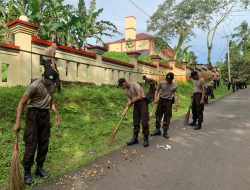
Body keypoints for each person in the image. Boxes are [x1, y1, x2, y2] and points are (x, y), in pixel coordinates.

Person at [13, 69, 60, 185]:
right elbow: (21, 103)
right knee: (31, 143)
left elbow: (50, 101)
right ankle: (27, 173)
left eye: (51, 82)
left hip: (45, 115)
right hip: (33, 114)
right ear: (42, 76)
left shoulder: (52, 85)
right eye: (47, 80)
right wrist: (17, 122)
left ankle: (39, 168)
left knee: (44, 143)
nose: (48, 83)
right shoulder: (34, 85)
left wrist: (55, 113)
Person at [117, 78, 150, 147]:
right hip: (136, 105)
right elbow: (129, 103)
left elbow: (139, 96)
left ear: (125, 82)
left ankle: (146, 138)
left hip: (143, 103)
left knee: (144, 121)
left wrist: (131, 102)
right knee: (136, 122)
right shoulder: (126, 92)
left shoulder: (134, 84)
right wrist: (124, 111)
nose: (121, 87)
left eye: (121, 85)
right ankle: (135, 138)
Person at [151, 72, 178, 139]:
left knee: (167, 116)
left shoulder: (174, 85)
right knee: (158, 115)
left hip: (169, 101)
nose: (168, 81)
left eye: (169, 80)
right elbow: (157, 90)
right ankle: (157, 130)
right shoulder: (162, 83)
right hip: (161, 100)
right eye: (167, 79)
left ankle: (165, 131)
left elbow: (175, 95)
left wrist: (176, 104)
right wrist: (155, 99)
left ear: (172, 79)